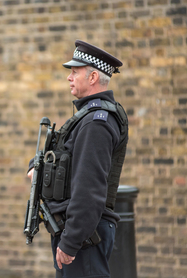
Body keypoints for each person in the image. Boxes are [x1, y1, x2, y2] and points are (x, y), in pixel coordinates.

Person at [27, 40, 129, 278]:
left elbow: (89, 188)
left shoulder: (96, 123)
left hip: (84, 238)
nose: (69, 77)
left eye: (74, 72)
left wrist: (71, 241)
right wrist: (35, 168)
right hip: (79, 233)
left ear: (93, 77)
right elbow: (62, 157)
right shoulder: (87, 117)